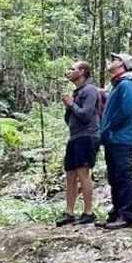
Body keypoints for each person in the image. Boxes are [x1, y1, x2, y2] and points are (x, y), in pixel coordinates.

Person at [56, 60, 99, 227]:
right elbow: (71, 119)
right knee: (70, 175)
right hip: (74, 137)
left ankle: (88, 212)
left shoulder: (90, 90)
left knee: (83, 173)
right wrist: (69, 107)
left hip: (87, 136)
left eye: (73, 69)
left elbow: (86, 114)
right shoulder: (76, 92)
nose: (69, 71)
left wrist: (71, 104)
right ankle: (69, 212)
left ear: (82, 72)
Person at [99, 53, 132, 229]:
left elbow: (125, 110)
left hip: (121, 137)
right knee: (114, 176)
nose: (111, 62)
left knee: (123, 175)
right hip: (113, 138)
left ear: (123, 65)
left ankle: (127, 214)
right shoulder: (116, 85)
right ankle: (116, 212)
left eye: (115, 60)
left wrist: (109, 128)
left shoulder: (127, 84)